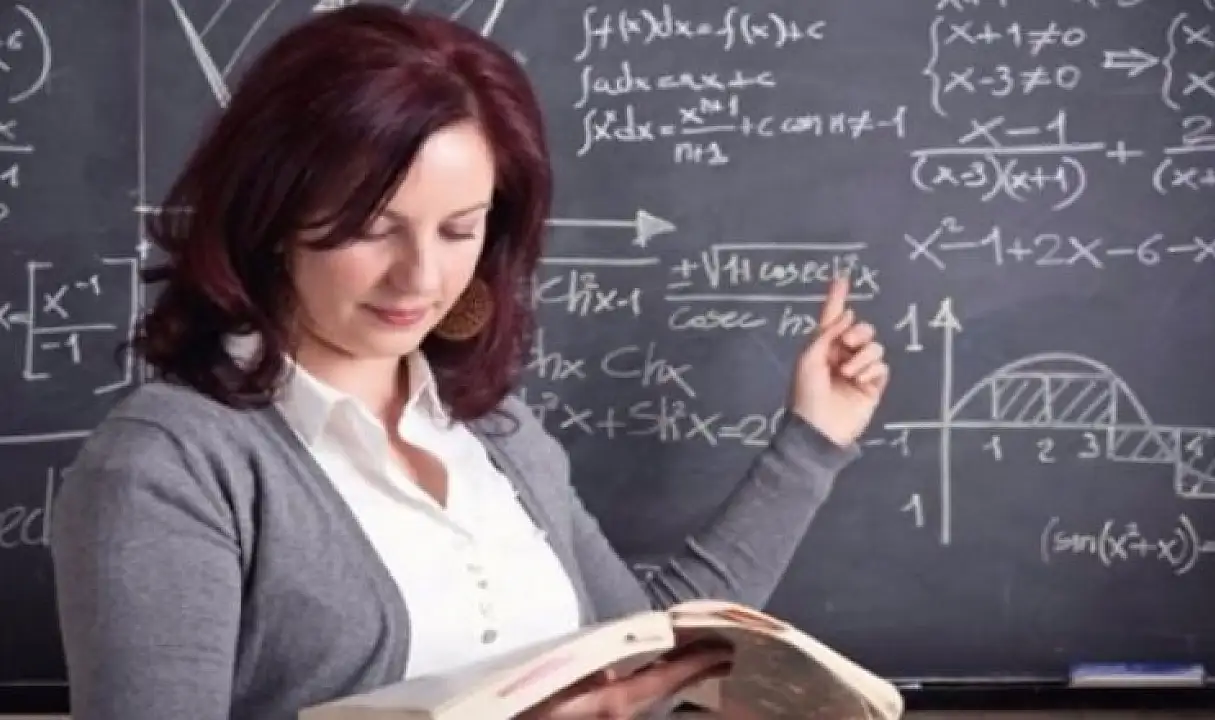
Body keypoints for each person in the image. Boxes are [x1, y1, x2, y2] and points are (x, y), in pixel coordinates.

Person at [49, 6, 890, 720]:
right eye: (374, 228)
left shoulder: (496, 433)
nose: (421, 278)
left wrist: (812, 442)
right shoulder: (171, 464)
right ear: (273, 216)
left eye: (460, 229)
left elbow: (651, 652)